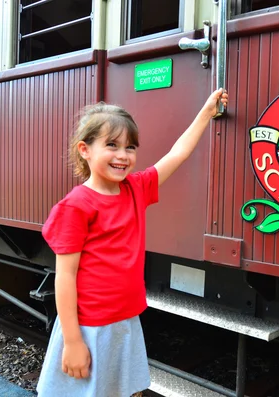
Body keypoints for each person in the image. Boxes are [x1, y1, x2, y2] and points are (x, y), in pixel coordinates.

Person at [36, 88, 229, 397]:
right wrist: (72, 342)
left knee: (127, 392)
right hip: (89, 327)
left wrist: (206, 113)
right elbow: (65, 277)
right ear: (85, 150)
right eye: (112, 145)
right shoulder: (76, 206)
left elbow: (176, 154)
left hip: (126, 320)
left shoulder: (135, 189)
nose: (123, 155)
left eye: (130, 147)